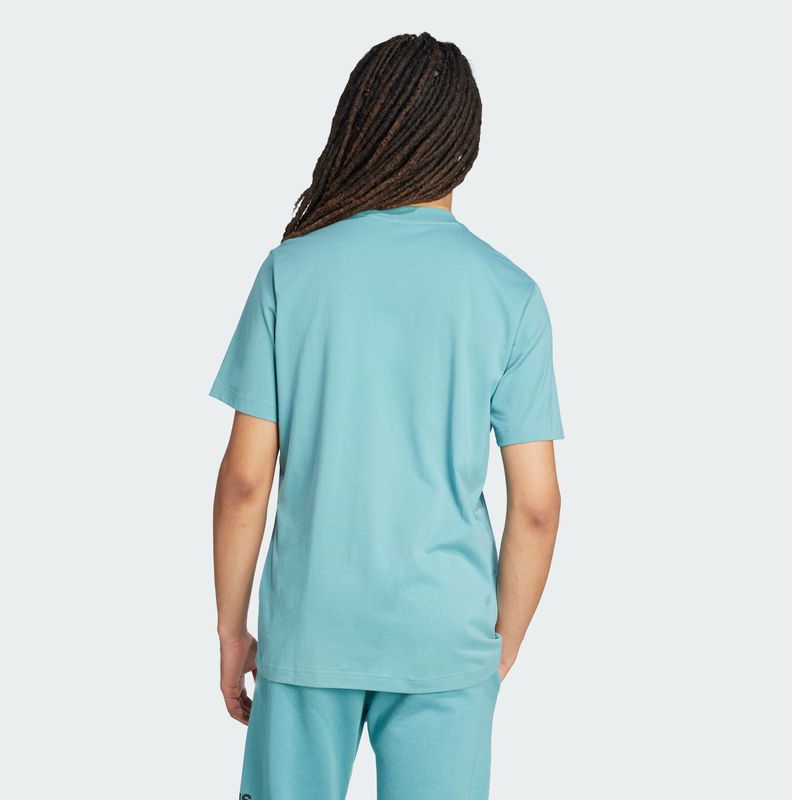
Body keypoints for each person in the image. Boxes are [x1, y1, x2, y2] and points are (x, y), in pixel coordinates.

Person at [209, 32, 564, 800]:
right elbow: (537, 507)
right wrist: (497, 648)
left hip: (311, 629)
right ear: (465, 147)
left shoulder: (290, 272)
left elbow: (244, 481)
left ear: (358, 127)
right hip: (444, 633)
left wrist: (233, 632)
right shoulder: (510, 294)